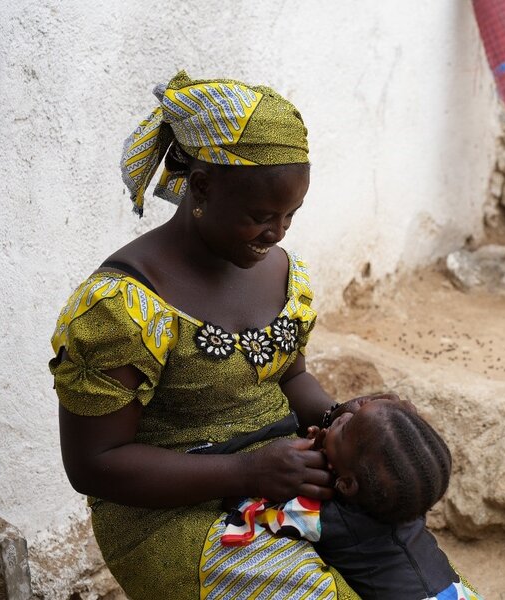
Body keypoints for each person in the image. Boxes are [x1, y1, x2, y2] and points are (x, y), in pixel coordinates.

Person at [50, 70, 360, 599]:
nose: (278, 232)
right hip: (169, 519)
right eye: (260, 216)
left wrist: (343, 423)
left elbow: (293, 375)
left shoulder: (282, 271)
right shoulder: (120, 307)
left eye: (290, 214)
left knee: (420, 578)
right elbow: (93, 465)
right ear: (202, 186)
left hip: (282, 478)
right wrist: (246, 471)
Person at [218, 393, 484, 600]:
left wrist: (240, 495)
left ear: (346, 484)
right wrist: (329, 446)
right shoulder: (404, 502)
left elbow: (262, 511)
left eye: (346, 429)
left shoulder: (317, 516)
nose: (344, 416)